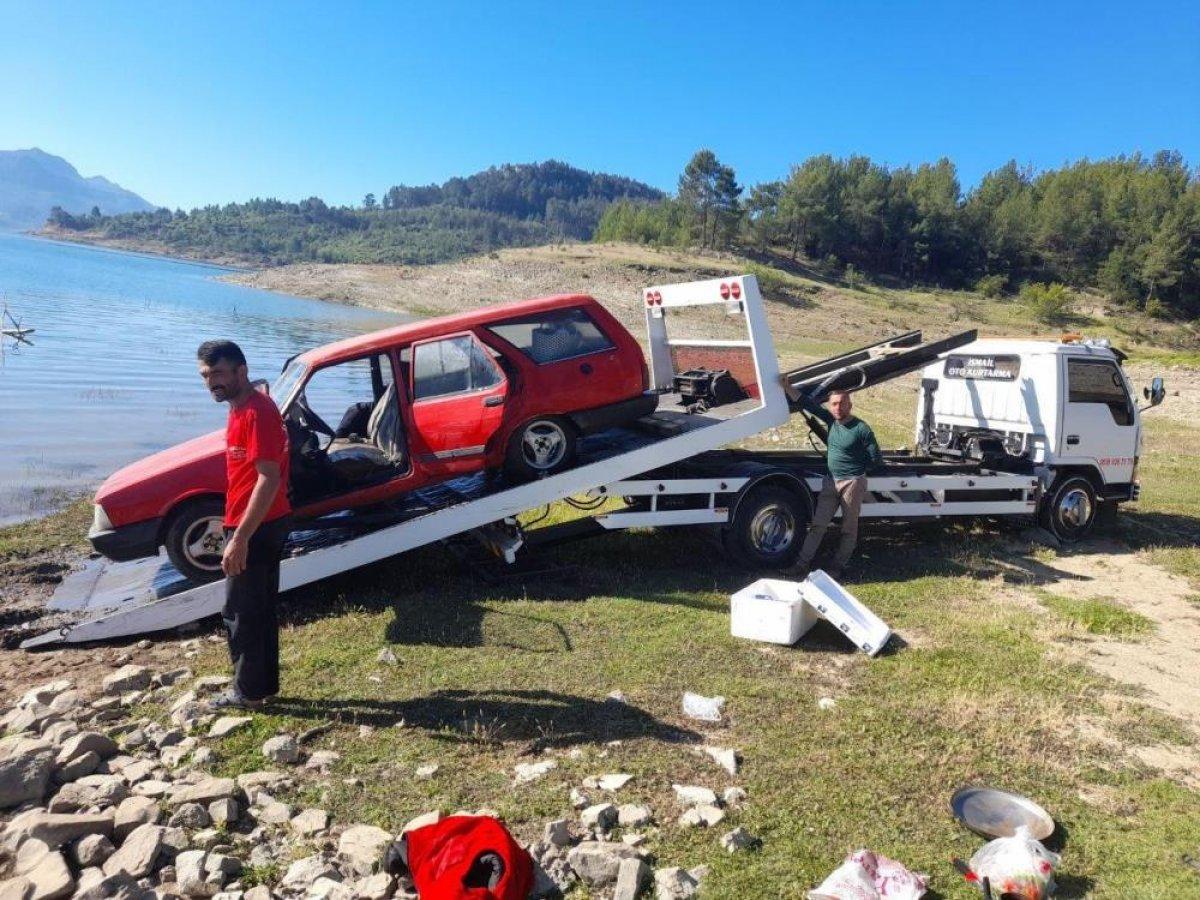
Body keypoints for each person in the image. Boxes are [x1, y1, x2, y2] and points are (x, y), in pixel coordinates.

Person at [197, 340, 292, 710]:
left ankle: (248, 693)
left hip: (258, 526)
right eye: (206, 375)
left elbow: (268, 479)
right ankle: (261, 687)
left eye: (218, 373)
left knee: (240, 612)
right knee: (258, 609)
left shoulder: (257, 411)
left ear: (241, 370)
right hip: (255, 521)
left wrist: (240, 539)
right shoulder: (239, 408)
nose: (211, 382)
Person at [791, 389, 883, 579]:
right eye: (834, 403)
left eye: (842, 403)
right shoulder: (831, 421)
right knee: (818, 525)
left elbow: (876, 459)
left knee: (848, 528)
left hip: (852, 483)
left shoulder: (861, 429)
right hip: (831, 481)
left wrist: (857, 471)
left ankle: (837, 567)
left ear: (850, 405)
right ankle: (801, 565)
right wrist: (786, 387)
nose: (838, 407)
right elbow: (809, 404)